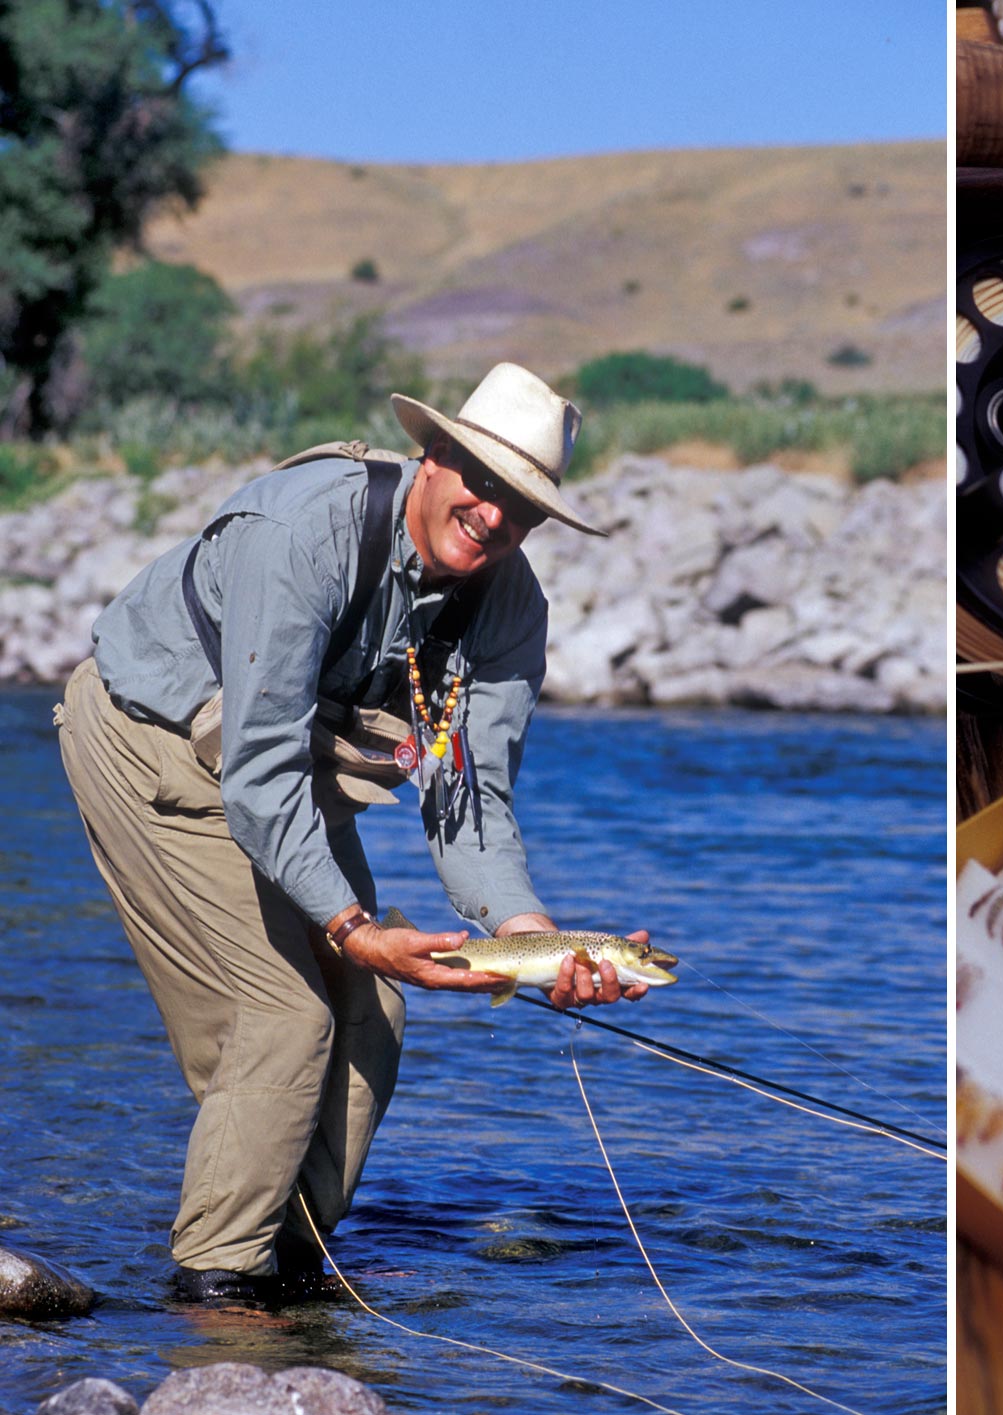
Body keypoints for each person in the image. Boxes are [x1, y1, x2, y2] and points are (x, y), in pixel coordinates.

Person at [56, 362, 647, 1302]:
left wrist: (527, 932)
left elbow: (471, 801)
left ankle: (292, 1261)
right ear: (433, 454)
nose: (495, 516)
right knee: (282, 1019)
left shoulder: (509, 608)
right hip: (151, 747)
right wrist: (352, 927)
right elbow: (256, 773)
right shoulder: (304, 532)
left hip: (287, 774)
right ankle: (216, 1288)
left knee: (376, 1011)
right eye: (482, 482)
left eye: (523, 504)